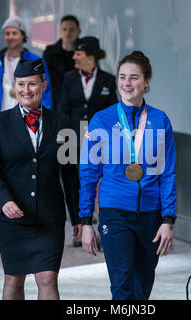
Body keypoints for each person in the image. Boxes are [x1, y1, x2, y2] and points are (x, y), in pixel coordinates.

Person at [79, 51, 176, 300]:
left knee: (142, 288)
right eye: (122, 77)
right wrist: (86, 221)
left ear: (147, 81)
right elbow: (89, 174)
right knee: (121, 287)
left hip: (151, 215)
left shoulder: (160, 120)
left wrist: (168, 220)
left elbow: (167, 173)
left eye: (134, 78)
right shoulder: (102, 120)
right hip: (114, 212)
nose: (127, 83)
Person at [0, 59, 80, 300]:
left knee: (47, 278)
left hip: (49, 217)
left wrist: (79, 217)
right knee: (14, 279)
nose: (26, 90)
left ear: (43, 85)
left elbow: (70, 174)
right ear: (14, 86)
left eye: (32, 84)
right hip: (11, 218)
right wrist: (4, 201)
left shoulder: (62, 123)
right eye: (21, 84)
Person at [59, 36, 118, 246]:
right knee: (73, 183)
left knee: (100, 184)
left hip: (100, 140)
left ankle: (103, 229)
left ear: (90, 56)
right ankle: (77, 226)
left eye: (78, 53)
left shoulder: (109, 80)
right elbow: (63, 109)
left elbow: (113, 112)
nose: (74, 57)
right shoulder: (69, 78)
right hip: (72, 139)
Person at [0, 16, 53, 122]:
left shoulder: (35, 62)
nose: (10, 37)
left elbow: (45, 93)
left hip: (28, 121)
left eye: (14, 33)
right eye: (7, 33)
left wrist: (39, 120)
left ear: (23, 35)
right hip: (0, 120)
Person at [43, 15, 81, 111]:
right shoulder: (49, 52)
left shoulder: (86, 53)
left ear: (78, 32)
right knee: (59, 126)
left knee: (82, 126)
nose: (67, 33)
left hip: (80, 108)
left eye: (71, 30)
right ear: (60, 31)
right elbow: (42, 78)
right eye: (64, 29)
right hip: (56, 105)